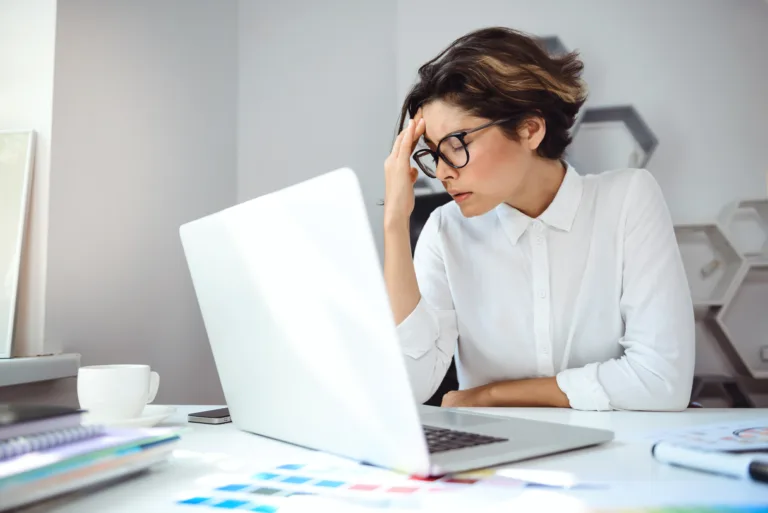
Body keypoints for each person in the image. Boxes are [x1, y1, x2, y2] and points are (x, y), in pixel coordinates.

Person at [382, 27, 695, 411]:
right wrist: (395, 223)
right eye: (432, 153)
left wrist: (490, 395)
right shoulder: (445, 231)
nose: (444, 172)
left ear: (530, 129)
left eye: (456, 145)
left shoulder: (628, 199)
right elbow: (410, 386)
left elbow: (662, 381)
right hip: (496, 459)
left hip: (618, 453)